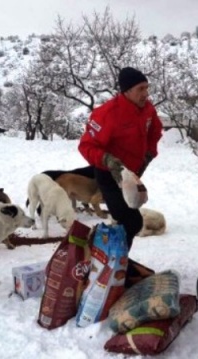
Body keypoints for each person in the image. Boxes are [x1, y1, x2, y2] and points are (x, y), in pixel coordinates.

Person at [78, 67, 163, 251]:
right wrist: (107, 159)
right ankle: (111, 259)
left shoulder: (147, 109)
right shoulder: (106, 114)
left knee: (127, 222)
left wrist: (149, 153)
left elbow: (155, 131)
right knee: (131, 221)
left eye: (147, 88)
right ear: (127, 91)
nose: (145, 94)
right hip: (108, 173)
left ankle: (114, 261)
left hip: (131, 175)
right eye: (140, 89)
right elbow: (86, 146)